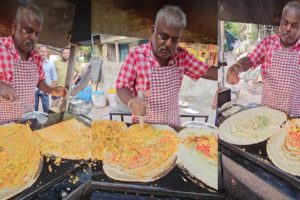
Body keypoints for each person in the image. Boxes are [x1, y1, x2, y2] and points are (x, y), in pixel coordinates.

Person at [116, 5, 218, 127]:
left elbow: (210, 71)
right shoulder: (136, 55)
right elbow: (121, 86)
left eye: (174, 39)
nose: (168, 44)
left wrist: (222, 82)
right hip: (143, 126)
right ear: (153, 30)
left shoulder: (182, 57)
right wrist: (131, 102)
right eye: (163, 37)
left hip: (171, 125)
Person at [226, 1, 300, 116]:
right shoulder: (267, 44)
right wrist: (236, 67)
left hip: (294, 116)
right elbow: (250, 60)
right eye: (285, 23)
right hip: (267, 113)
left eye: (294, 26)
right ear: (280, 22)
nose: (288, 28)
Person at [0, 4, 66, 124]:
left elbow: (40, 81)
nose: (33, 38)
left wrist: (51, 90)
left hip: (26, 120)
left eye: (37, 34)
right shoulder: (1, 48)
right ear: (15, 26)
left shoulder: (36, 56)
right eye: (28, 31)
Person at [34, 45, 57, 113]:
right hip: (34, 90)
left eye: (45, 51)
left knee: (46, 110)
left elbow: (55, 79)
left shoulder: (50, 64)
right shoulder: (34, 63)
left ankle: (47, 122)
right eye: (41, 51)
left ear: (47, 53)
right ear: (38, 52)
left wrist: (49, 90)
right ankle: (34, 122)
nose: (43, 53)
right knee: (34, 110)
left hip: (45, 91)